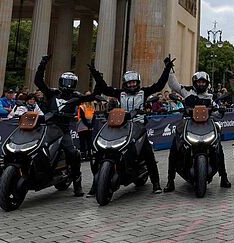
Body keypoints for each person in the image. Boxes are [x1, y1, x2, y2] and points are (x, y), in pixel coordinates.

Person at [89, 56, 174, 194]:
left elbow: (159, 85)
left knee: (148, 154)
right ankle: (95, 185)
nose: (132, 85)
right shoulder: (119, 93)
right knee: (100, 153)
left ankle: (156, 183)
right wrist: (95, 74)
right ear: (125, 83)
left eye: (134, 82)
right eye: (129, 83)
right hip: (121, 127)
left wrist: (167, 68)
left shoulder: (144, 92)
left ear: (138, 82)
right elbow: (104, 88)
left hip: (138, 127)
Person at [34, 55, 97, 197]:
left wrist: (96, 79)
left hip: (63, 131)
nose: (68, 85)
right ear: (60, 82)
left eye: (71, 82)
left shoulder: (76, 96)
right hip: (48, 128)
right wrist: (42, 64)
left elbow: (90, 97)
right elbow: (38, 81)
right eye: (65, 81)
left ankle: (77, 184)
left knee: (73, 154)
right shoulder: (52, 94)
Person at [164, 69, 231, 192]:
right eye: (198, 82)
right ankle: (170, 181)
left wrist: (220, 110)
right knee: (174, 148)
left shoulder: (211, 96)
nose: (201, 84)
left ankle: (224, 177)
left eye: (203, 82)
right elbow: (173, 84)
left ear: (207, 83)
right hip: (188, 123)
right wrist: (170, 70)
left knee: (219, 148)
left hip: (207, 125)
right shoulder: (187, 91)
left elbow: (217, 111)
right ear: (194, 82)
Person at [76, 91, 95, 161]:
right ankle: (83, 155)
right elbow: (82, 117)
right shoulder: (82, 106)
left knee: (89, 141)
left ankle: (89, 154)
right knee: (82, 142)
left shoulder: (92, 106)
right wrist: (88, 125)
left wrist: (91, 125)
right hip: (82, 125)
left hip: (89, 126)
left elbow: (94, 116)